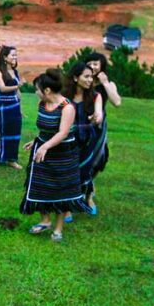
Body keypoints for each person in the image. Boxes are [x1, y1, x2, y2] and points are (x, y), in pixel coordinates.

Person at [20, 69, 88, 241]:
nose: (36, 92)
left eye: (37, 89)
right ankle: (45, 220)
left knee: (61, 189)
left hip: (63, 153)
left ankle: (58, 229)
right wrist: (37, 141)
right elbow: (44, 127)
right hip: (44, 148)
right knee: (42, 185)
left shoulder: (67, 107)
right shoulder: (42, 104)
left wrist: (45, 147)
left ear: (47, 90)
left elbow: (63, 133)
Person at [83, 52, 121, 215]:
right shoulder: (83, 81)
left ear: (102, 66)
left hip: (98, 129)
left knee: (98, 160)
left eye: (96, 63)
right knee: (81, 160)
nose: (93, 66)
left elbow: (117, 102)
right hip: (81, 124)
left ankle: (88, 196)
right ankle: (79, 196)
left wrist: (105, 82)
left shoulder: (108, 84)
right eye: (90, 63)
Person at [64, 62, 104, 207]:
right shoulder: (64, 96)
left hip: (87, 140)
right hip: (67, 139)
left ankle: (87, 197)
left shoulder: (95, 96)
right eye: (86, 77)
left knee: (85, 170)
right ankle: (66, 206)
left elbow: (98, 114)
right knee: (68, 170)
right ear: (75, 78)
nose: (90, 80)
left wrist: (97, 117)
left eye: (91, 77)